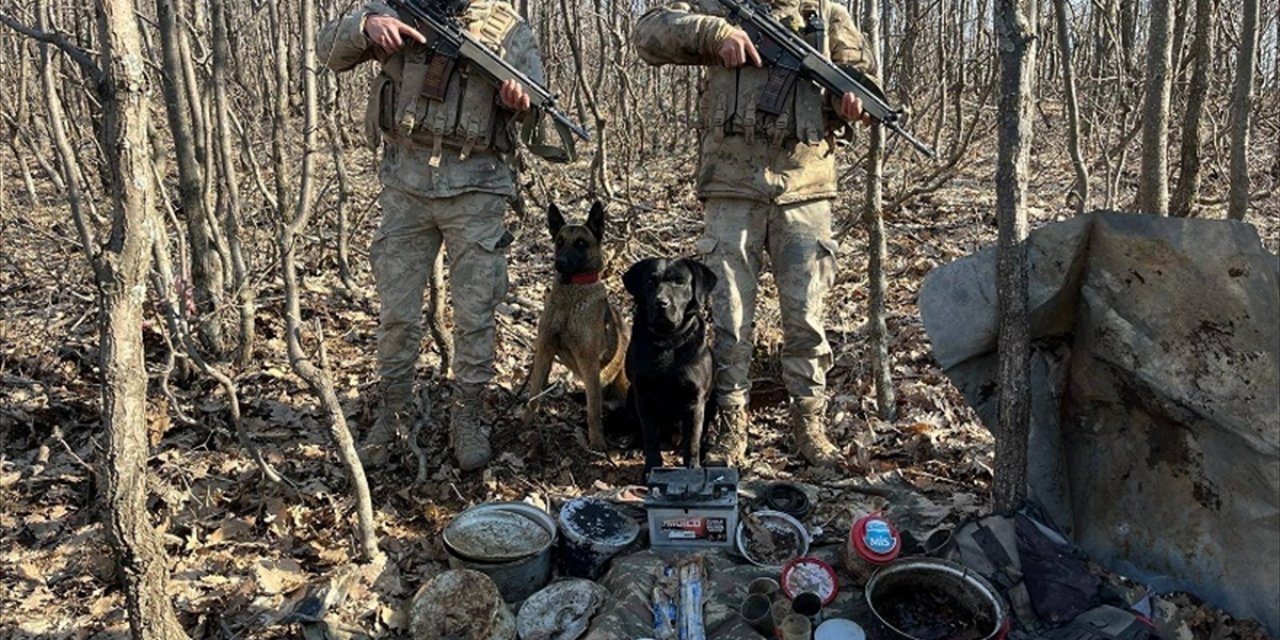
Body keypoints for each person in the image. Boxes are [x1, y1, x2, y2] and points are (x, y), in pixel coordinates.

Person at [634, 0, 880, 467]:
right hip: (731, 185)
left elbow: (860, 79)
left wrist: (851, 103)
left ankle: (809, 423)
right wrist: (713, 33)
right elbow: (648, 34)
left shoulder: (825, 12)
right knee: (727, 315)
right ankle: (729, 422)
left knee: (806, 319)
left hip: (806, 187)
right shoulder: (717, 7)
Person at [318, 0, 545, 471]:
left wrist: (517, 101)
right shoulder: (401, 7)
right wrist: (365, 27)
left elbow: (537, 108)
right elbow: (329, 51)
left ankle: (467, 416)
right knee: (397, 311)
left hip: (478, 186)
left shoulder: (510, 27)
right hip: (406, 183)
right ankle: (393, 411)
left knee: (476, 312)